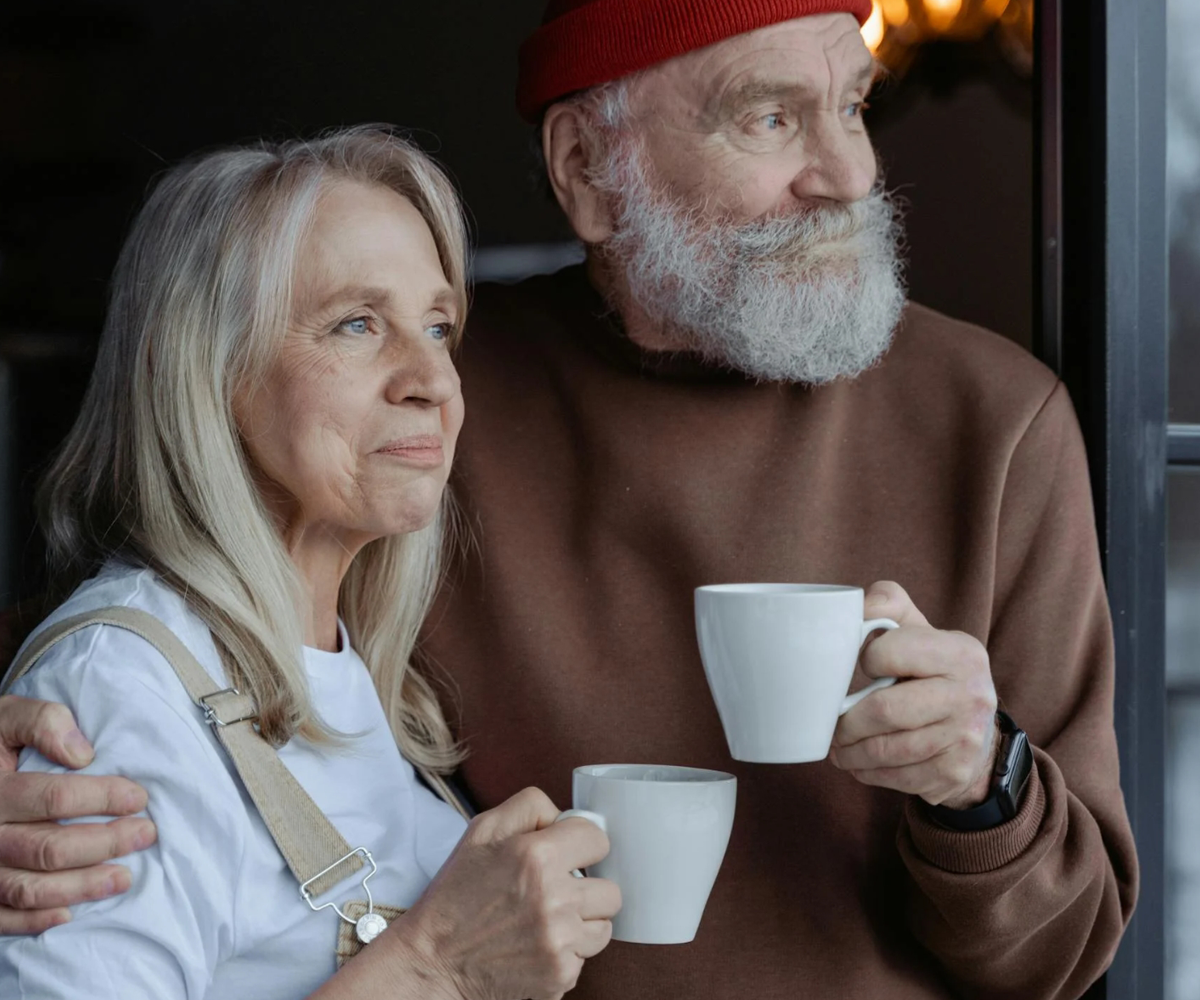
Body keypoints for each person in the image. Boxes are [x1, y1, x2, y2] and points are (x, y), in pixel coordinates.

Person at [0, 2, 1138, 998]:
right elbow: (164, 623)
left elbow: (1064, 954)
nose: (848, 174)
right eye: (772, 116)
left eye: (853, 106)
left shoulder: (997, 422)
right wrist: (38, 750)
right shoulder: (426, 414)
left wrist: (982, 785)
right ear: (590, 168)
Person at [0, 126, 620, 1000]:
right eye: (358, 324)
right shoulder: (118, 694)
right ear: (203, 369)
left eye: (439, 326)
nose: (433, 380)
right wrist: (436, 966)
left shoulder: (352, 666)